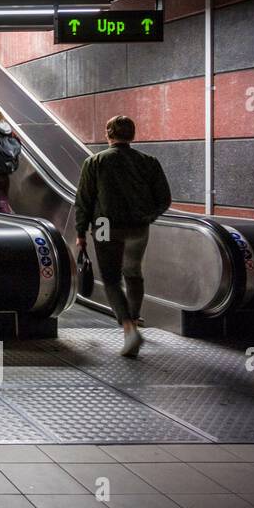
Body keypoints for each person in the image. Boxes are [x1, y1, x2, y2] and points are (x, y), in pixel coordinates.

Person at [74, 115, 172, 358]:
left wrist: (80, 232)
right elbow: (164, 198)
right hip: (138, 226)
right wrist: (148, 215)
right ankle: (135, 318)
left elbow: (84, 201)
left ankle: (128, 328)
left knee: (110, 278)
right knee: (133, 272)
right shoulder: (148, 162)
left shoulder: (95, 161)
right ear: (132, 135)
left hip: (105, 224)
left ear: (108, 134)